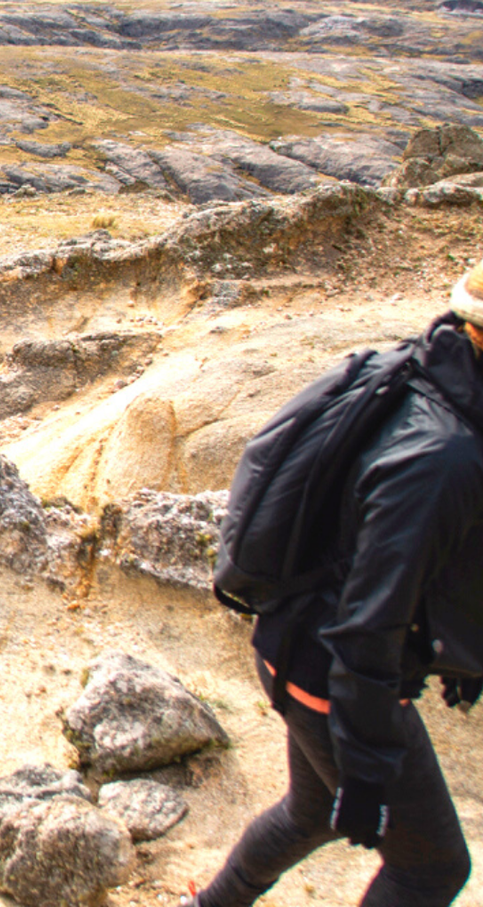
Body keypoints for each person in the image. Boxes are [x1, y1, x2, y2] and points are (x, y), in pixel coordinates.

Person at [187, 263, 483, 907]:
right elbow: (368, 626)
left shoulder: (419, 369)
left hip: (294, 644)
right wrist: (370, 767)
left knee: (311, 811)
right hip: (332, 674)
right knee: (431, 870)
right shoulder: (444, 457)